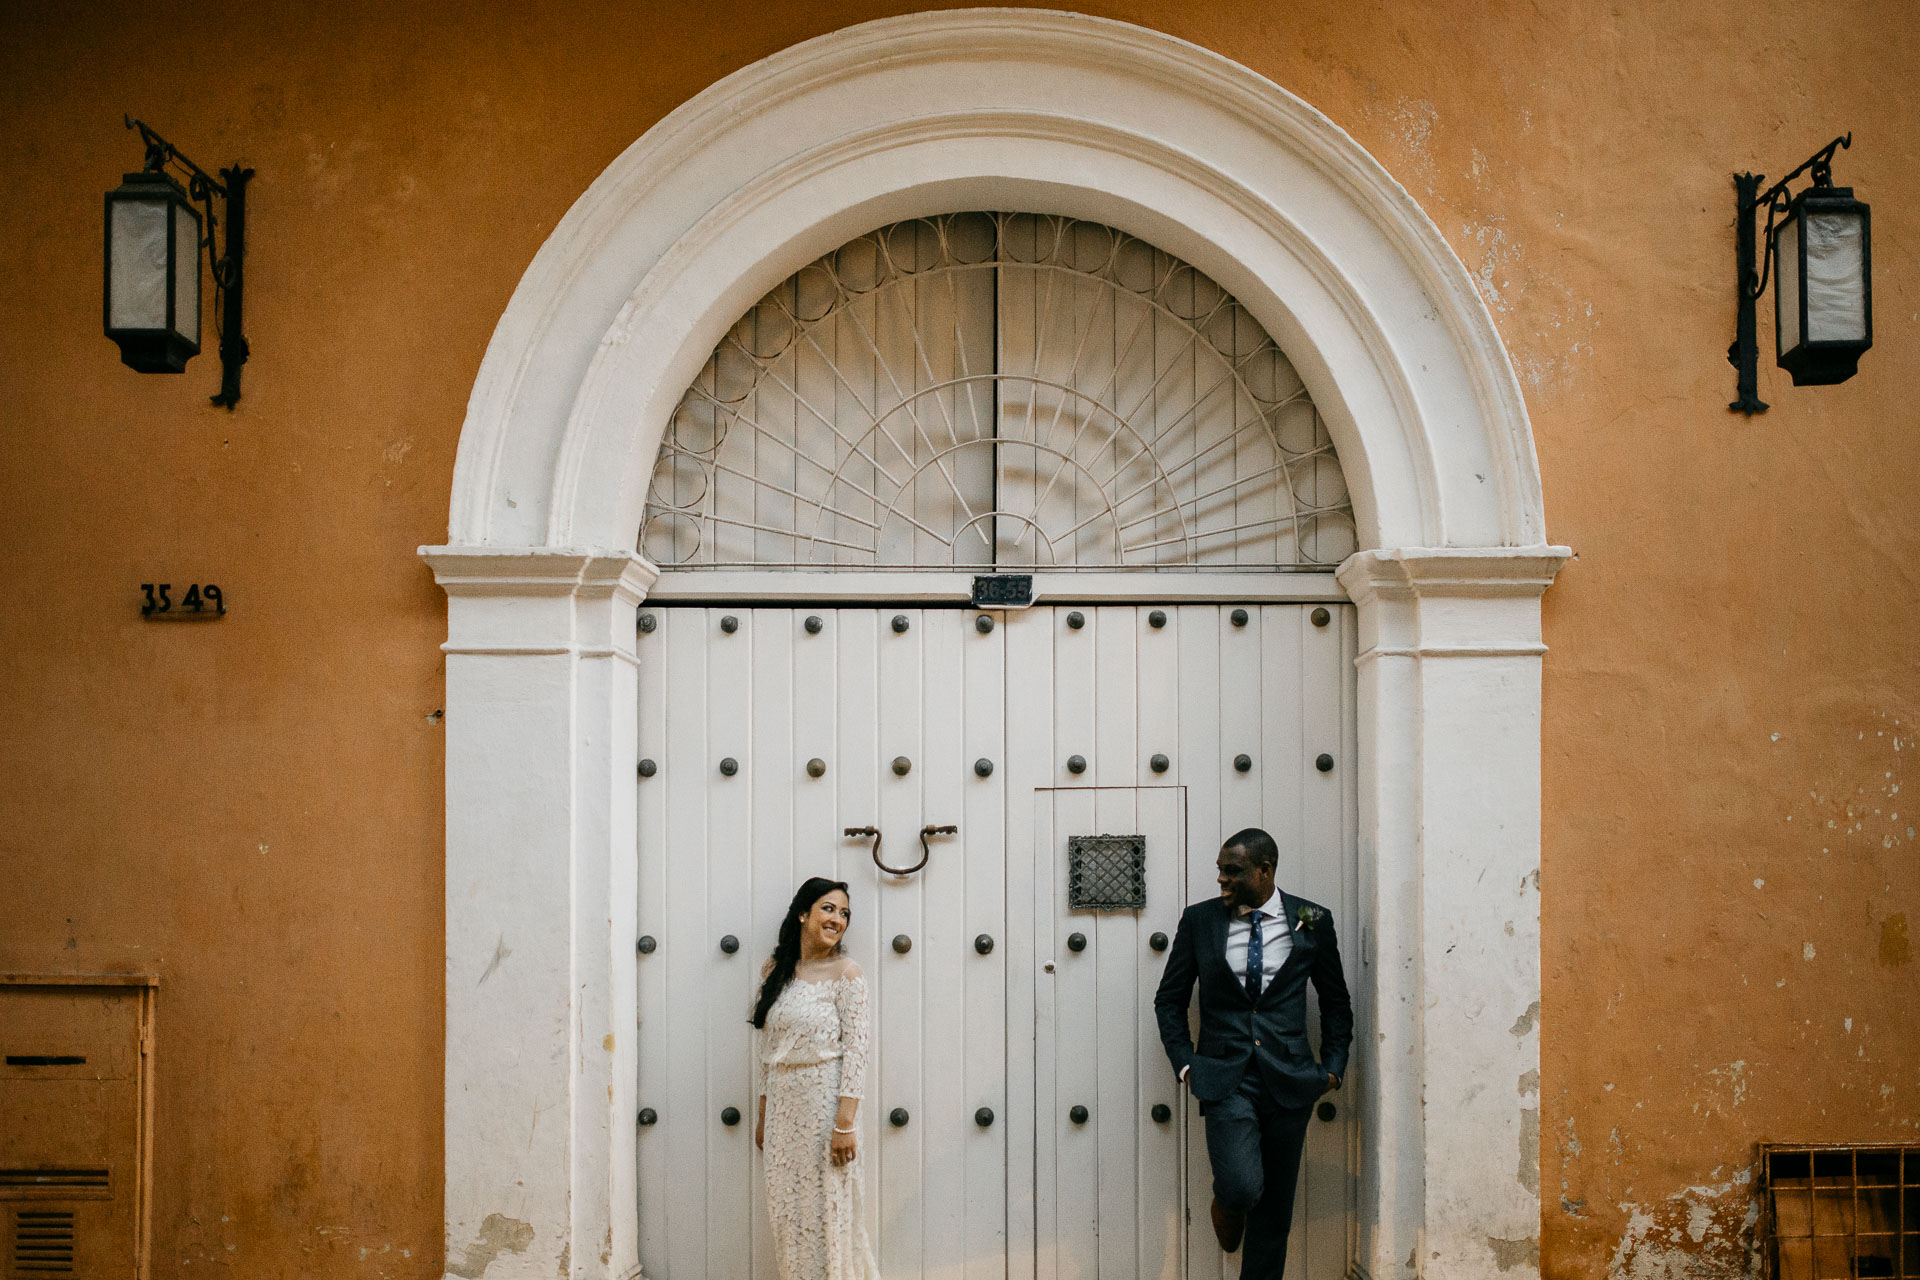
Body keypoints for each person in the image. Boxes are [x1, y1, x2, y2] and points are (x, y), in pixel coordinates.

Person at [1153, 827, 1353, 1279]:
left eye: (1233, 871)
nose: (1222, 880)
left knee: (1274, 1215)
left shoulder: (1312, 919)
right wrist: (1187, 1065)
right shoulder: (1200, 920)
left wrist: (1333, 1069)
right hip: (1225, 1078)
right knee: (1243, 1188)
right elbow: (1169, 999)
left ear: (1265, 871)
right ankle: (1227, 1204)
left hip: (1292, 1079)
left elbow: (1336, 1002)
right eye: (1220, 871)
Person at [752, 876, 881, 1280]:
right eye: (828, 908)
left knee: (827, 1217)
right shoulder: (775, 969)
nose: (838, 918)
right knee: (788, 1219)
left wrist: (844, 1124)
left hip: (827, 1110)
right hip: (782, 1115)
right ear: (803, 913)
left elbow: (858, 1053)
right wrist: (763, 1114)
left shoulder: (847, 973)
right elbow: (768, 1052)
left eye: (844, 913)